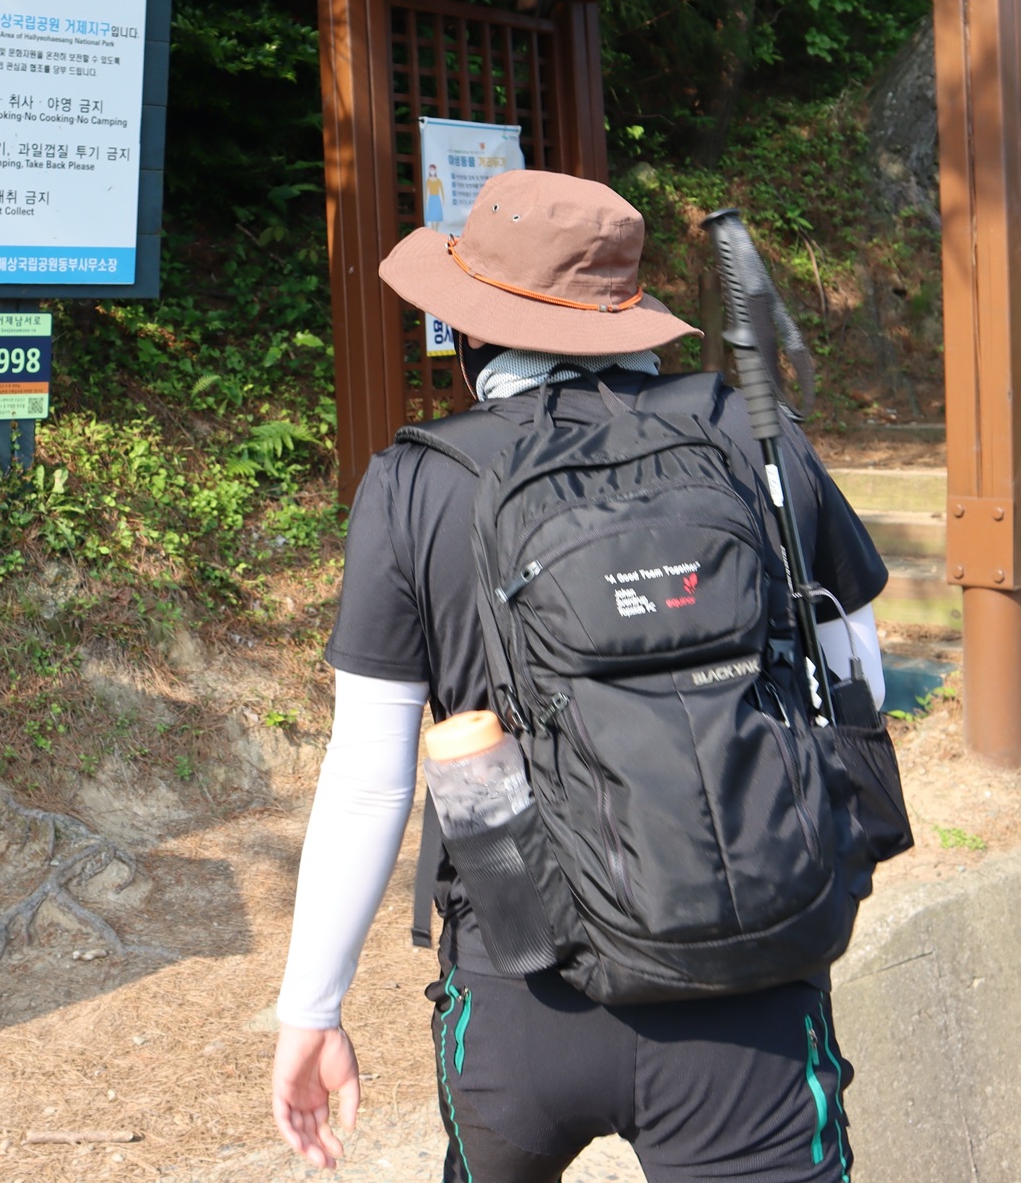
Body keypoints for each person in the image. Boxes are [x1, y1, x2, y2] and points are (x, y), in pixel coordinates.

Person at [268, 169, 890, 1182]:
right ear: (624, 315)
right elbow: (856, 670)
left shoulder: (417, 482)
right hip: (750, 984)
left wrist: (312, 1010)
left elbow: (369, 778)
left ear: (471, 333)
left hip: (521, 980)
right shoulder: (751, 435)